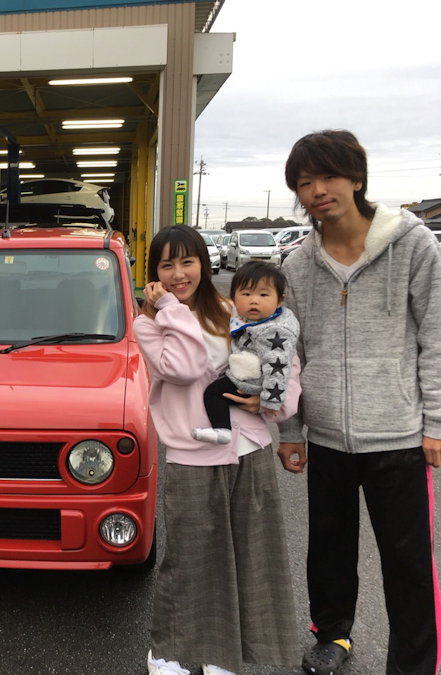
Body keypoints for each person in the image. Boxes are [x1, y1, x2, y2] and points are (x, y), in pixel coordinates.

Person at [278, 130, 441, 675]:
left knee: (408, 562)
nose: (318, 190)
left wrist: (435, 423)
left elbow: (435, 339)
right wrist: (293, 430)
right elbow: (291, 352)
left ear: (356, 177)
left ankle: (415, 663)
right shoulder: (298, 265)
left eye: (328, 177)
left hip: (397, 433)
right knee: (327, 549)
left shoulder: (413, 245)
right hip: (326, 435)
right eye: (305, 183)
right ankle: (333, 635)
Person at [133, 224, 301, 675]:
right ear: (154, 273)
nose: (178, 274)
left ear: (204, 264)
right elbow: (185, 367)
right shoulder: (148, 324)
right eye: (166, 265)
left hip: (248, 448)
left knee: (250, 554)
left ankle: (221, 655)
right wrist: (168, 308)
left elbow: (283, 358)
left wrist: (272, 401)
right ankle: (166, 652)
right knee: (189, 559)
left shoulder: (231, 309)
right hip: (192, 453)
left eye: (187, 262)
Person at [192, 261, 299, 445]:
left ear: (280, 300)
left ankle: (222, 430)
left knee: (213, 393)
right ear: (233, 297)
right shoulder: (247, 318)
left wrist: (271, 402)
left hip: (254, 382)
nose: (254, 300)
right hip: (250, 376)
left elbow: (277, 366)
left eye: (263, 294)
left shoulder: (275, 331)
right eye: (246, 294)